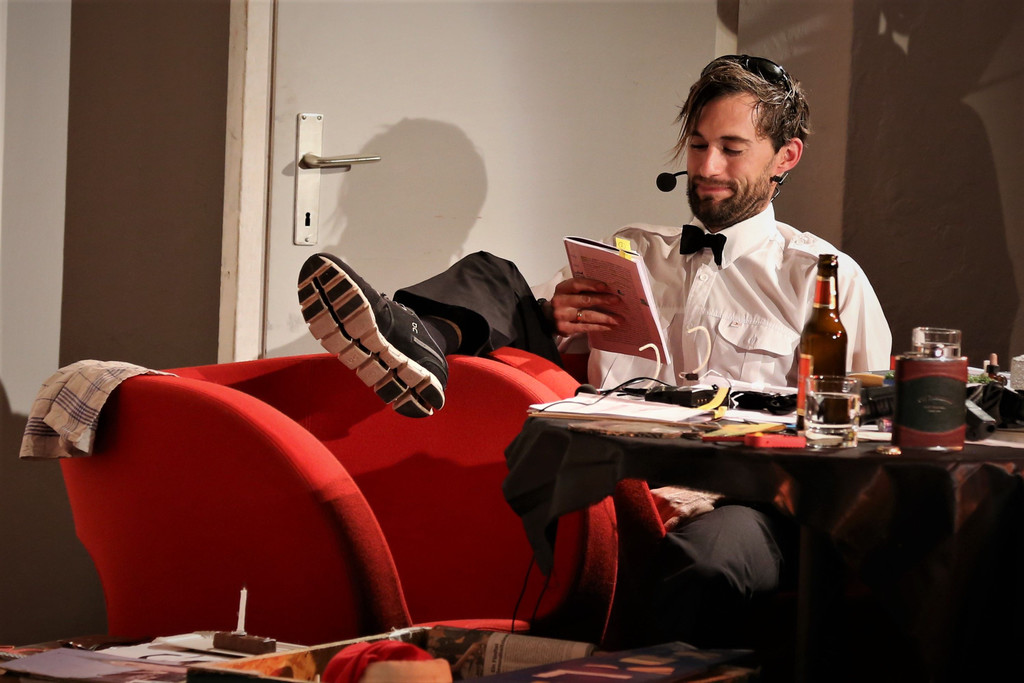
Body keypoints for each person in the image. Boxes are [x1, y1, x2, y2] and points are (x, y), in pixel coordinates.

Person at [297, 54, 891, 646]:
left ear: (786, 156)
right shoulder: (632, 249)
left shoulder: (823, 277)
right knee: (496, 278)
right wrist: (553, 317)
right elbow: (527, 327)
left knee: (705, 562)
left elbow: (866, 433)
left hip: (745, 500)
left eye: (732, 149)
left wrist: (714, 490)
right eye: (697, 145)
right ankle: (418, 340)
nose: (706, 167)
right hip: (615, 479)